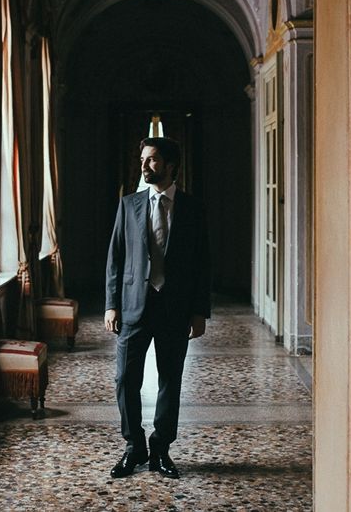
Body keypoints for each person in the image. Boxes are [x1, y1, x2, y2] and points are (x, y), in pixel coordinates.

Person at [105, 137, 210, 479]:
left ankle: (161, 449)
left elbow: (202, 265)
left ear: (170, 165)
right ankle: (133, 446)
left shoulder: (192, 208)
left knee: (170, 381)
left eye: (151, 160)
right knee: (125, 380)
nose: (144, 166)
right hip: (134, 305)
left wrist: (199, 312)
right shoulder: (129, 205)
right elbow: (116, 259)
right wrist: (111, 305)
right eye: (143, 159)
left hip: (174, 308)